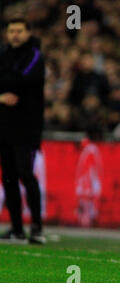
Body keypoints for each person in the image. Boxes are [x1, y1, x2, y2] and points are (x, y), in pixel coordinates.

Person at [0, 18, 46, 244]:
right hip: (4, 126)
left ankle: (36, 227)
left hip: (27, 126)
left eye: (19, 30)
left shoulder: (35, 55)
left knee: (26, 174)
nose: (15, 35)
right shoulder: (4, 55)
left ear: (28, 32)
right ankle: (17, 228)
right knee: (8, 178)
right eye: (11, 31)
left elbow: (23, 80)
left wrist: (7, 83)